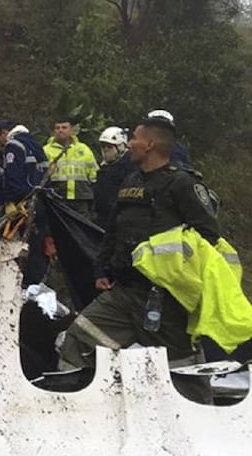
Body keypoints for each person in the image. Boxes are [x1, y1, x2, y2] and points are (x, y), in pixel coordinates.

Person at [58, 118, 219, 403]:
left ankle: (203, 418)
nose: (130, 143)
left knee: (183, 370)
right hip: (123, 293)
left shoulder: (183, 184)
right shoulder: (131, 181)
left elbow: (208, 235)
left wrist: (171, 267)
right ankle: (73, 407)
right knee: (78, 340)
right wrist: (102, 268)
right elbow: (113, 230)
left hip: (165, 301)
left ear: (150, 144)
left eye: (134, 138)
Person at [0, 121, 49, 284]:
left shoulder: (14, 145)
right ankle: (37, 285)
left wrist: (10, 201)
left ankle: (17, 285)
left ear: (7, 133)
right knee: (37, 247)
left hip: (22, 204)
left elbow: (12, 177)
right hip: (41, 203)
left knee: (15, 249)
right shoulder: (38, 147)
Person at [42, 118, 99, 217]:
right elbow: (41, 176)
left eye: (64, 127)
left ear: (71, 130)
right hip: (57, 198)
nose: (60, 130)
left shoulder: (84, 149)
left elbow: (94, 174)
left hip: (81, 198)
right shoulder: (45, 150)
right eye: (57, 128)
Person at [92, 126, 134, 226]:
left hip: (121, 220)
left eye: (109, 147)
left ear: (120, 147)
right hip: (103, 218)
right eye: (103, 146)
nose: (105, 150)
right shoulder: (104, 168)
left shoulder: (130, 167)